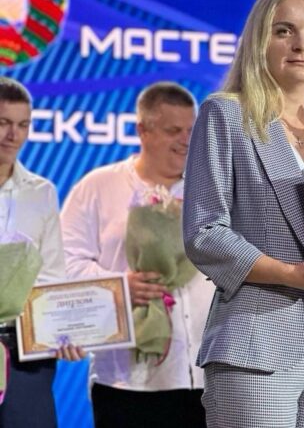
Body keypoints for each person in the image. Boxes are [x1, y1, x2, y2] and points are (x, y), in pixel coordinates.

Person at [181, 0, 304, 427]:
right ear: (259, 41)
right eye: (284, 31)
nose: (302, 44)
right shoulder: (227, 114)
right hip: (258, 341)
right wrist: (290, 274)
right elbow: (204, 232)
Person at [60, 81, 214, 428]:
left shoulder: (211, 190)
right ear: (142, 130)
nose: (186, 141)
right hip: (126, 380)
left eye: (191, 130)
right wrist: (119, 286)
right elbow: (65, 263)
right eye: (173, 131)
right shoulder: (98, 187)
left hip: (207, 378)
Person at [0, 77, 82, 427]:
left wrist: (64, 331)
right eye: (3, 123)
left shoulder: (41, 192)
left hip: (27, 353)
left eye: (22, 125)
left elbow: (51, 275)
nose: (13, 135)